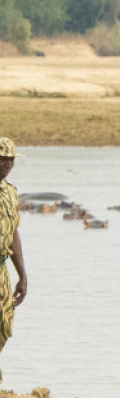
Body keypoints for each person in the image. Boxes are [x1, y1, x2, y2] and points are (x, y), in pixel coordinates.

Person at [0, 138, 28, 380]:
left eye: (10, 159)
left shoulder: (10, 192)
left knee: (4, 325)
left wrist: (22, 275)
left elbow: (13, 233)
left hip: (2, 270)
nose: (7, 163)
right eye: (2, 158)